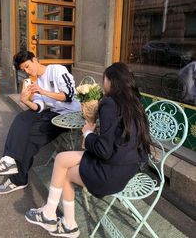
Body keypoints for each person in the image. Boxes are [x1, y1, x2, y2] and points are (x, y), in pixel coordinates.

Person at [25, 62, 152, 238]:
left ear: (111, 81)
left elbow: (103, 150)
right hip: (127, 167)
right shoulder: (135, 103)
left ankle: (65, 223)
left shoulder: (109, 104)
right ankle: (51, 214)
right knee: (62, 159)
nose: (103, 84)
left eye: (104, 79)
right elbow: (117, 141)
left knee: (67, 174)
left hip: (111, 171)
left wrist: (88, 134)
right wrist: (94, 135)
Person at [0, 50, 81, 194]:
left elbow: (69, 96)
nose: (28, 71)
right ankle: (9, 159)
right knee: (22, 118)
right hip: (52, 113)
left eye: (28, 66)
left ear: (35, 59)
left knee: (28, 138)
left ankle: (19, 178)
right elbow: (38, 108)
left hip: (68, 116)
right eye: (24, 70)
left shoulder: (57, 70)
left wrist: (44, 92)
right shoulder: (36, 82)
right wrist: (25, 101)